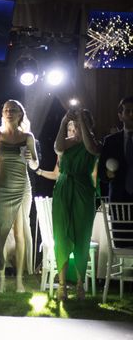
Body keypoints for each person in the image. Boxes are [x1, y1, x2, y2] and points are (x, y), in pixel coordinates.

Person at [0, 79, 38, 293]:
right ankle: (1, 279)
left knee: (20, 233)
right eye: (6, 109)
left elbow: (35, 164)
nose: (9, 112)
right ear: (2, 114)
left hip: (23, 187)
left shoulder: (27, 137)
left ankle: (20, 281)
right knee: (1, 233)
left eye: (13, 109)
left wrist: (30, 158)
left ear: (20, 114)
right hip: (2, 188)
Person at [52, 108, 100, 301]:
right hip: (64, 189)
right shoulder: (68, 143)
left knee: (82, 236)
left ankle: (81, 284)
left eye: (79, 124)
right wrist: (64, 122)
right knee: (61, 235)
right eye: (73, 125)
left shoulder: (95, 143)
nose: (76, 128)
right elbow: (57, 147)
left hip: (83, 190)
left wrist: (81, 120)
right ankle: (62, 286)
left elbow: (90, 149)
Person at [98, 96, 133, 202]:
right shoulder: (110, 141)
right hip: (118, 201)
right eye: (128, 111)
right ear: (120, 116)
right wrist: (109, 173)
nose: (132, 114)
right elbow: (102, 174)